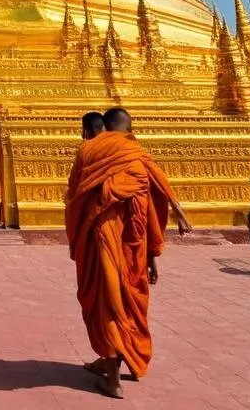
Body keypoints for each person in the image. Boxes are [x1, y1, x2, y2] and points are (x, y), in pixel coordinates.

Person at [64, 107, 188, 399]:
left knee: (108, 303)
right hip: (133, 244)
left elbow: (75, 199)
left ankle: (113, 379)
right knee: (128, 300)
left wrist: (75, 240)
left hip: (102, 239)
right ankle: (126, 358)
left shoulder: (89, 151)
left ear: (94, 130)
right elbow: (151, 199)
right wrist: (153, 253)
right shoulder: (136, 154)